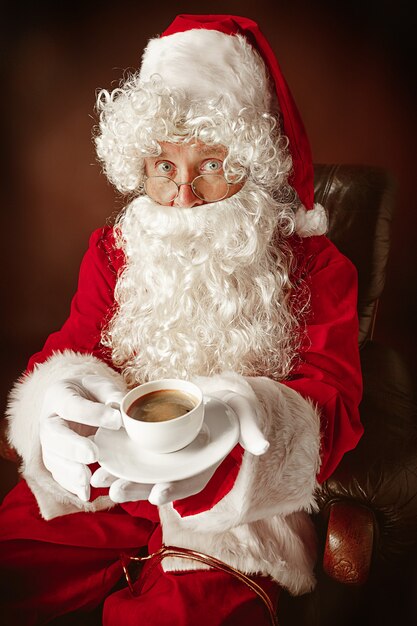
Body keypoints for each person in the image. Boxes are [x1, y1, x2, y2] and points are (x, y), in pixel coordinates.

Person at [0, 14, 363, 626]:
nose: (184, 195)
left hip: (239, 510)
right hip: (107, 483)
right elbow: (68, 349)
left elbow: (336, 408)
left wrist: (258, 417)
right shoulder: (114, 250)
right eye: (163, 166)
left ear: (251, 163)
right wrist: (55, 410)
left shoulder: (317, 265)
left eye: (212, 164)